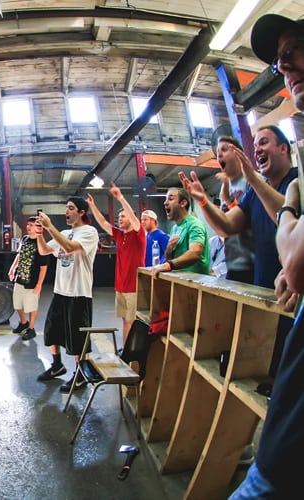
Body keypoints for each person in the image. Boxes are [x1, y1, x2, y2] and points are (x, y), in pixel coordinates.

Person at [229, 13, 304, 498]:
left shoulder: (289, 183)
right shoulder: (256, 190)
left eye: (293, 49)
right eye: (280, 61)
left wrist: (292, 204)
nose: (284, 64)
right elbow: (229, 225)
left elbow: (296, 261)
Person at [178, 127, 296, 289]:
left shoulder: (297, 181)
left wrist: (252, 178)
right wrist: (202, 200)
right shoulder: (254, 193)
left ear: (283, 148)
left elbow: (287, 215)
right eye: (255, 147)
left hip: (292, 290)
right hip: (263, 289)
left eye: (264, 142)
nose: (258, 150)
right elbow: (227, 226)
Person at [35, 197, 99, 391]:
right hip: (60, 291)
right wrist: (40, 233)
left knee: (77, 338)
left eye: (71, 208)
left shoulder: (89, 232)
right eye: (66, 208)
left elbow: (70, 248)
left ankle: (80, 375)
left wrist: (49, 227)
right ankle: (57, 365)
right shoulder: (64, 232)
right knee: (51, 331)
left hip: (78, 293)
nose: (67, 211)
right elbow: (45, 250)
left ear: (81, 212)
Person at [87, 183, 146, 340]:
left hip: (134, 287)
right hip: (120, 286)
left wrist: (120, 198)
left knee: (132, 322)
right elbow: (104, 223)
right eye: (119, 217)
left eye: (123, 216)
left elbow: (134, 220)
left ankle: (131, 354)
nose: (120, 219)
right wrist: (92, 206)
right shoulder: (120, 235)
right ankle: (126, 350)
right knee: (125, 321)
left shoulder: (139, 235)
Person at [213, 136, 255, 284]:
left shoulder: (252, 181)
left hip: (253, 262)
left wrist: (229, 201)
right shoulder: (224, 188)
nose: (219, 155)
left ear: (237, 154)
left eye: (224, 149)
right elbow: (224, 226)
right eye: (217, 152)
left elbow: (251, 221)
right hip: (233, 262)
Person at [150, 187, 210, 277]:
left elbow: (195, 253)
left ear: (183, 203)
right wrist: (169, 250)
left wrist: (168, 265)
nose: (165, 202)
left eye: (170, 199)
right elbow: (170, 260)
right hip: (181, 282)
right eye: (166, 199)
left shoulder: (194, 225)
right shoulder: (174, 228)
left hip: (197, 284)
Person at [8, 216, 49, 341]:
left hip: (32, 282)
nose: (28, 227)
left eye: (32, 225)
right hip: (20, 279)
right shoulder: (25, 239)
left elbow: (43, 267)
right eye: (28, 225)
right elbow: (19, 255)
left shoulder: (41, 244)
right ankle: (23, 323)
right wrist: (12, 268)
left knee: (31, 306)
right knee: (17, 304)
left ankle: (31, 329)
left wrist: (39, 285)